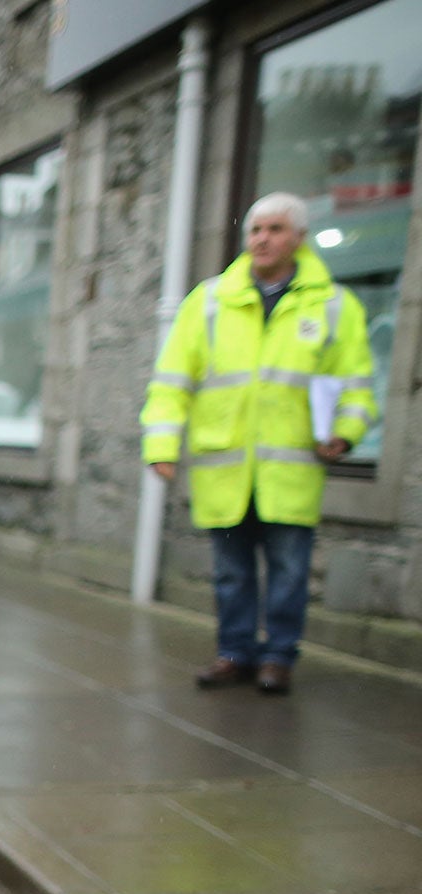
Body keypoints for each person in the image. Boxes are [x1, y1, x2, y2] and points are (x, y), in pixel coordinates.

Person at [143, 191, 378, 696]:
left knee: (290, 573)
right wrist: (161, 444)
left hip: (290, 469)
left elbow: (355, 385)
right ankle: (234, 653)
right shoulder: (208, 301)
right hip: (223, 469)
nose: (262, 239)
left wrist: (345, 432)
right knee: (231, 573)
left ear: (299, 238)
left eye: (274, 229)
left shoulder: (335, 306)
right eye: (255, 230)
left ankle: (278, 657)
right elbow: (171, 380)